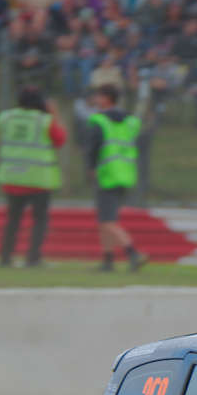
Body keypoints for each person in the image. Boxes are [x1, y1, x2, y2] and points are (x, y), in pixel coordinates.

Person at [0, 86, 65, 267]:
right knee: (40, 220)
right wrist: (54, 113)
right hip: (37, 178)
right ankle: (33, 257)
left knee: (13, 220)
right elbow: (60, 140)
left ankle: (5, 257)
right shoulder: (45, 121)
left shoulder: (6, 117)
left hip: (12, 177)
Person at [85, 83, 145, 271]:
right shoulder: (129, 121)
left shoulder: (100, 121)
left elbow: (93, 147)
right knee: (105, 219)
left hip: (107, 174)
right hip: (126, 173)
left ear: (106, 99)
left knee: (109, 221)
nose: (95, 99)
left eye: (98, 96)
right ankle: (108, 260)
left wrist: (91, 167)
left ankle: (133, 253)